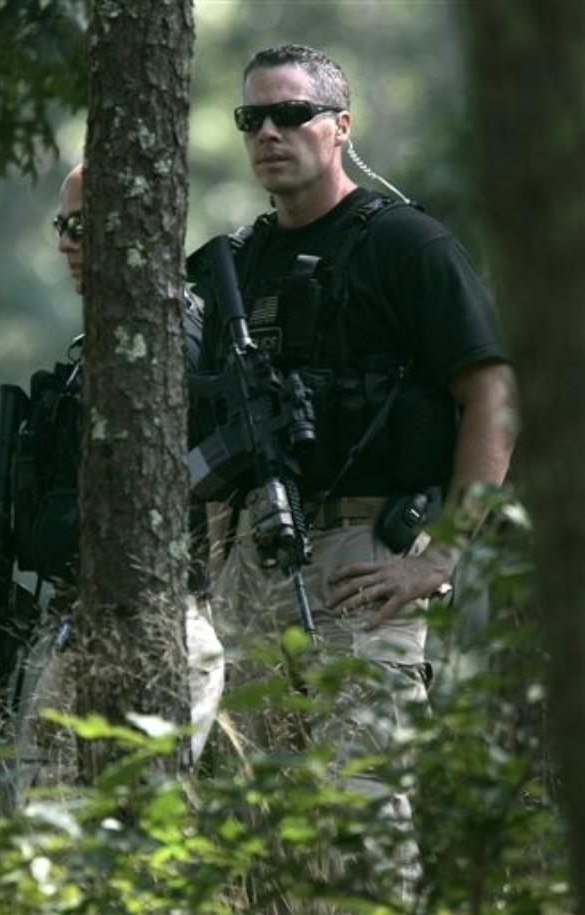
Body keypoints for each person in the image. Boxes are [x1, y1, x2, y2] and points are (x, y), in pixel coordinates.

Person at [188, 44, 517, 906]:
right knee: (264, 834)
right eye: (252, 118)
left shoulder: (406, 244)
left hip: (366, 559)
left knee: (361, 823)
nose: (269, 132)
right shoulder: (239, 265)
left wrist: (442, 555)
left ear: (339, 126)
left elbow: (492, 393)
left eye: (291, 113)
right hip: (254, 563)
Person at [0, 163, 223, 836]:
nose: (66, 243)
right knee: (45, 836)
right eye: (62, 226)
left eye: (82, 227)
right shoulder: (99, 348)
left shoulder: (174, 341)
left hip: (154, 627)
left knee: (128, 836)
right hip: (76, 625)